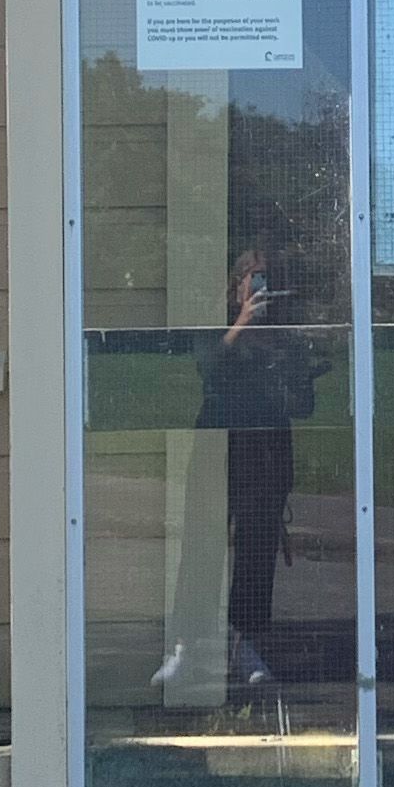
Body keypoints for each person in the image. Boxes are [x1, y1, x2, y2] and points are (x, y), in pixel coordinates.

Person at [155, 238, 313, 697]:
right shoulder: (219, 326)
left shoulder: (284, 335)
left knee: (256, 550)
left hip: (265, 452)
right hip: (217, 449)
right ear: (237, 285)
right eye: (255, 279)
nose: (263, 289)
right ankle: (186, 647)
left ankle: (245, 644)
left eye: (269, 282)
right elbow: (208, 369)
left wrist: (289, 366)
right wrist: (241, 326)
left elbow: (302, 403)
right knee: (202, 544)